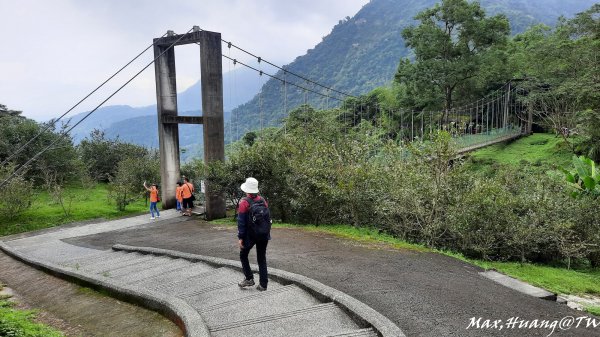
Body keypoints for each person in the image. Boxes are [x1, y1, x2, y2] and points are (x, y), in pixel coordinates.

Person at [237, 177, 271, 291]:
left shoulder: (244, 203)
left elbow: (241, 222)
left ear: (247, 189)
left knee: (243, 255)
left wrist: (241, 237)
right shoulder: (262, 200)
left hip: (250, 235)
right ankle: (263, 285)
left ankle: (249, 278)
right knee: (261, 258)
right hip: (263, 234)